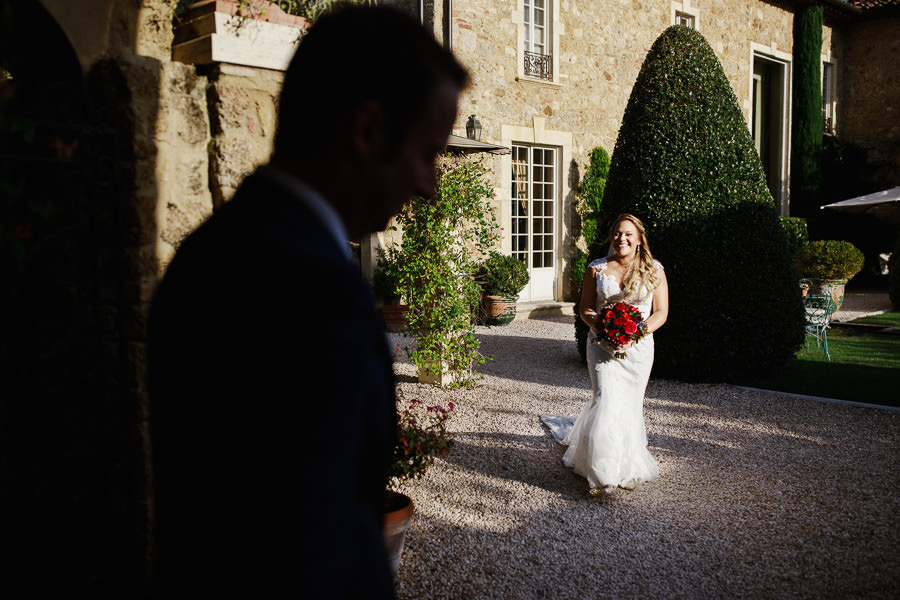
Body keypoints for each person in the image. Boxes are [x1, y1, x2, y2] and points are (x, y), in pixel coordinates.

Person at [148, 5, 468, 597]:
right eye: (426, 154)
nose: (429, 185)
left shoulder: (209, 252)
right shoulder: (316, 302)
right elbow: (312, 554)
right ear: (368, 132)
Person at [562, 214, 668, 495]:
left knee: (630, 404)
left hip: (639, 349)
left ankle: (626, 463)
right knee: (605, 398)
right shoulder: (597, 269)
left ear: (639, 240)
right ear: (612, 238)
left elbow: (661, 312)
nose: (622, 239)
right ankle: (603, 470)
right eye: (618, 234)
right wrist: (598, 323)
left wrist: (636, 331)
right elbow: (584, 308)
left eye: (628, 234)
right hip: (601, 345)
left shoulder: (654, 270)